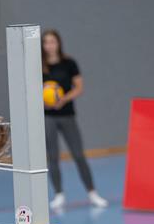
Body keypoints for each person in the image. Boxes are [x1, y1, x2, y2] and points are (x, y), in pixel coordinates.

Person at [42, 29, 107, 211]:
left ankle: (92, 192)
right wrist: (43, 100)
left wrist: (64, 99)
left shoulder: (69, 63)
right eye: (46, 42)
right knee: (53, 157)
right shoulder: (38, 65)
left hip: (67, 115)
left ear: (58, 43)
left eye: (52, 41)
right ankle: (59, 195)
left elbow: (79, 87)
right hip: (48, 117)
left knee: (78, 154)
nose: (49, 45)